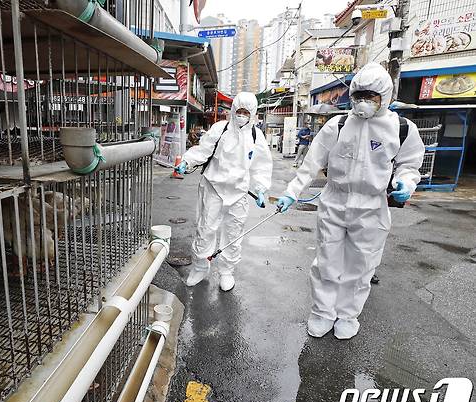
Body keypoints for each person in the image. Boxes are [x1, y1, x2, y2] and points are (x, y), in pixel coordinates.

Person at [276, 63, 425, 339]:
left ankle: (347, 316)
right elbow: (312, 163)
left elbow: (410, 164)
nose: (364, 102)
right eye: (360, 96)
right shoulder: (338, 124)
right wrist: (291, 191)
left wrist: (406, 182)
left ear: (385, 97)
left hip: (372, 205)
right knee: (326, 262)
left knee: (361, 266)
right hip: (334, 201)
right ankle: (322, 313)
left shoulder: (401, 128)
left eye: (372, 97)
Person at [175, 92, 273, 291]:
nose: (242, 115)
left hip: (239, 193)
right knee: (205, 229)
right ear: (234, 109)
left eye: (246, 112)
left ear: (252, 113)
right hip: (213, 187)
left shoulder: (256, 136)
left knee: (233, 233)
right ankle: (200, 267)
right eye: (239, 111)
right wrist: (187, 161)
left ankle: (227, 272)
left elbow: (261, 166)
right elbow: (203, 150)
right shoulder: (220, 129)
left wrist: (260, 189)